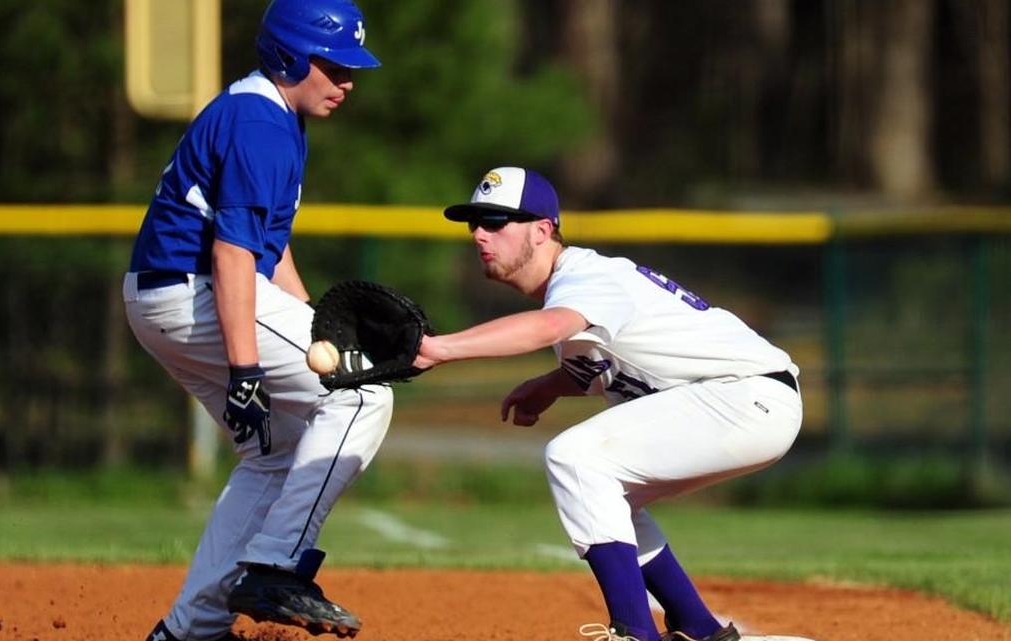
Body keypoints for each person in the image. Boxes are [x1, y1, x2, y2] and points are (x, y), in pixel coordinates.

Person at [414, 167, 803, 641]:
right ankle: (697, 627)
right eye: (475, 223)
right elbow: (607, 368)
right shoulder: (577, 285)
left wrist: (441, 348)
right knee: (610, 501)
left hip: (745, 396)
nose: (479, 234)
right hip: (747, 400)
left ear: (542, 230)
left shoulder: (585, 277)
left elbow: (549, 327)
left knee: (575, 458)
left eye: (496, 222)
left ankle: (635, 632)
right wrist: (549, 385)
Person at [123, 1, 393, 640]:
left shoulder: (273, 115)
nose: (347, 82)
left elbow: (271, 250)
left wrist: (318, 327)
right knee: (363, 397)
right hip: (193, 291)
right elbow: (232, 255)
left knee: (276, 451)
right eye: (333, 66)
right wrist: (246, 368)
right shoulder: (260, 122)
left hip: (170, 294)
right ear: (289, 57)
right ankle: (276, 566)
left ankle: (190, 630)